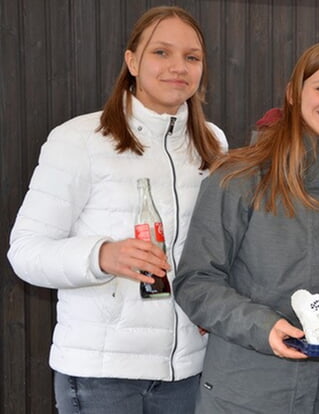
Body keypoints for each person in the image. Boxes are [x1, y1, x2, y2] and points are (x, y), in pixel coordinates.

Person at [7, 6, 227, 414]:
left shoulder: (212, 145)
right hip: (100, 377)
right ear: (132, 61)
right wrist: (101, 255)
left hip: (189, 372)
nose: (178, 67)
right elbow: (25, 251)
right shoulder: (79, 139)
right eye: (161, 52)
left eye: (192, 57)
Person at [173, 42, 319, 413]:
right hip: (243, 397)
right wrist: (264, 327)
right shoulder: (237, 179)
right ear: (293, 94)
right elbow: (196, 282)